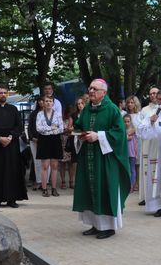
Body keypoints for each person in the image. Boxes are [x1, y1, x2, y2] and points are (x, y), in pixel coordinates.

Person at [73, 79, 130, 239]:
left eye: (94, 89)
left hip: (105, 159)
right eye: (90, 88)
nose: (91, 91)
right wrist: (79, 134)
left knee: (105, 189)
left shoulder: (112, 109)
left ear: (103, 92)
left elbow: (119, 134)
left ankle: (108, 227)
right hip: (89, 157)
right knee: (89, 189)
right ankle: (95, 225)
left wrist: (99, 136)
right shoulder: (86, 110)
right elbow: (79, 126)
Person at [0, 84, 28, 209]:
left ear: (7, 94)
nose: (3, 95)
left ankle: (11, 199)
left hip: (11, 144)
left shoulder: (13, 109)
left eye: (5, 93)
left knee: (12, 171)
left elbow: (19, 126)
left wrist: (10, 137)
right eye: (0, 92)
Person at [36, 95, 64, 197]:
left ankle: (53, 188)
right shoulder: (39, 114)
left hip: (55, 140)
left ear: (53, 103)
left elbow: (61, 128)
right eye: (46, 101)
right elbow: (39, 128)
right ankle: (44, 189)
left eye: (50, 101)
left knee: (54, 166)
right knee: (45, 166)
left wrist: (47, 128)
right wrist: (52, 128)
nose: (48, 103)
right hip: (44, 141)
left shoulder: (57, 114)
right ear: (43, 103)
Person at [137, 87, 159, 206]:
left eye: (155, 93)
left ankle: (156, 195)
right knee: (146, 170)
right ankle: (146, 196)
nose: (153, 95)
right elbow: (139, 127)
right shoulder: (144, 110)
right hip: (146, 144)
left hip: (158, 144)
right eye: (151, 94)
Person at [27, 97, 44, 190]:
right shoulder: (33, 114)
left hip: (45, 140)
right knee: (36, 161)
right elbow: (29, 127)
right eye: (39, 101)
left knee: (45, 162)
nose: (41, 102)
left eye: (43, 100)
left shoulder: (48, 113)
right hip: (34, 140)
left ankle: (45, 181)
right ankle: (38, 181)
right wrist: (32, 138)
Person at [59, 104, 76, 189]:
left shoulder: (72, 119)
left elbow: (70, 130)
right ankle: (63, 181)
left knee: (70, 163)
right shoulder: (61, 119)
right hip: (62, 142)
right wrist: (67, 130)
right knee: (62, 163)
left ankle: (71, 181)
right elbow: (61, 130)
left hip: (69, 142)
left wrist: (67, 130)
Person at [124, 115, 138, 191]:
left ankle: (131, 186)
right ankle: (127, 185)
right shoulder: (122, 130)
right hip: (125, 153)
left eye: (128, 121)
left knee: (132, 169)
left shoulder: (133, 130)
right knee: (127, 170)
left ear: (130, 121)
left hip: (132, 153)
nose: (126, 123)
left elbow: (136, 142)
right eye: (125, 121)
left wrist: (136, 153)